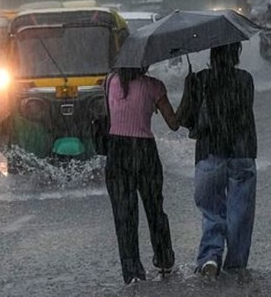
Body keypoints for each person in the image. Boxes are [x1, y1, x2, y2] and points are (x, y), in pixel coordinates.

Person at [179, 42, 257, 278]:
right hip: (242, 153)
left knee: (212, 212)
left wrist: (190, 86)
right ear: (236, 54)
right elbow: (242, 113)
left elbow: (186, 120)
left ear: (212, 55)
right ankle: (235, 266)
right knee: (240, 214)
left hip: (209, 153)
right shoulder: (245, 79)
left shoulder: (200, 80)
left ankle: (210, 257)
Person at [105, 66, 179, 285]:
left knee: (124, 216)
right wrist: (191, 94)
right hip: (145, 151)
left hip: (116, 152)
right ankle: (164, 259)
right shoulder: (154, 85)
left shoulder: (109, 82)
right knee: (155, 209)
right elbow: (173, 124)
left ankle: (133, 273)